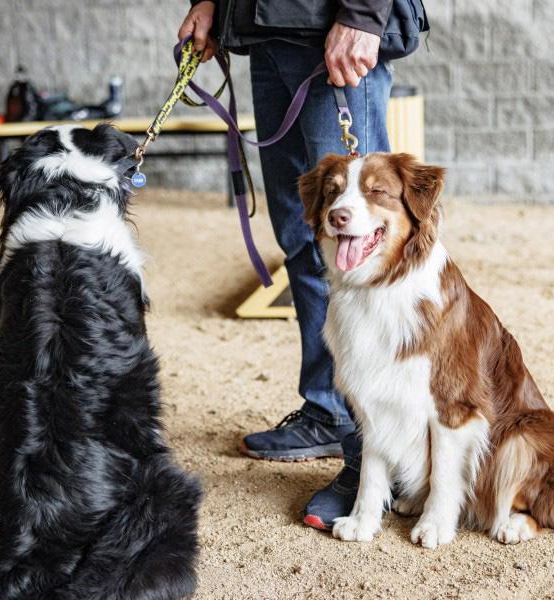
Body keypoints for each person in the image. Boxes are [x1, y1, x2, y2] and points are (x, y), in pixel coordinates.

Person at [177, 0, 414, 529]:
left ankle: (379, 463)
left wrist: (361, 16)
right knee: (306, 236)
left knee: (366, 249)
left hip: (332, 28)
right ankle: (330, 410)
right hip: (264, 29)